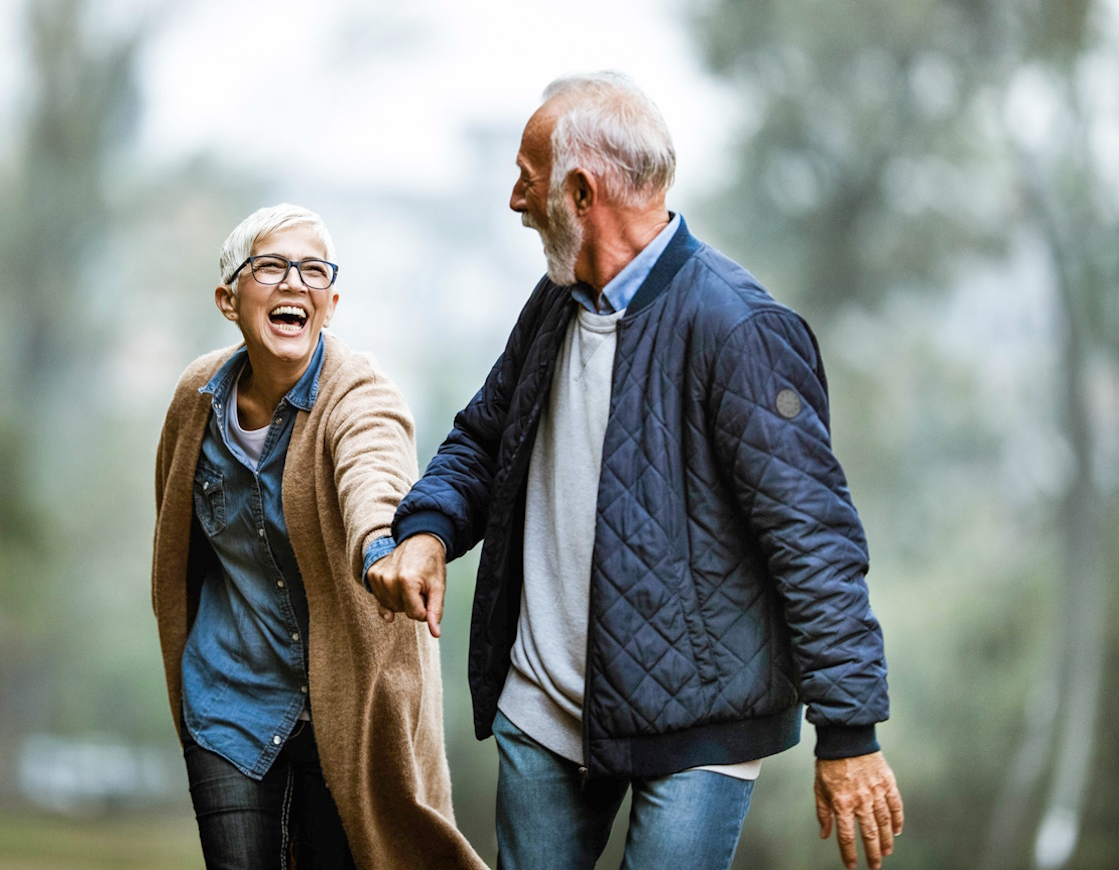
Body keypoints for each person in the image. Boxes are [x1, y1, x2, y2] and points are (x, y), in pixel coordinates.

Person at [367, 72, 905, 870]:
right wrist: (427, 530)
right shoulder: (553, 303)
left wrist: (850, 733)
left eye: (527, 177)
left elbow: (813, 541)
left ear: (580, 192)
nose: (515, 201)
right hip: (542, 712)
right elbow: (484, 439)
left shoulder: (740, 328)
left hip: (698, 727)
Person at [150, 204, 486, 870]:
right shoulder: (196, 400)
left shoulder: (359, 393)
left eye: (312, 271)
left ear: (330, 303)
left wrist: (382, 550)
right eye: (271, 266)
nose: (293, 283)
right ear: (228, 298)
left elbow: (375, 474)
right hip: (228, 695)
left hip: (345, 708)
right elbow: (175, 539)